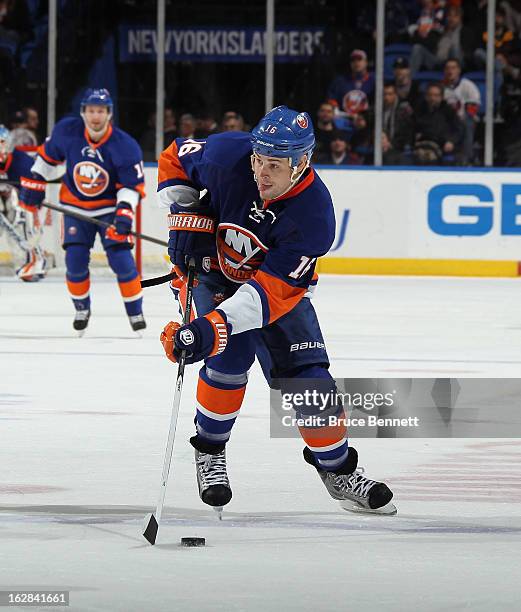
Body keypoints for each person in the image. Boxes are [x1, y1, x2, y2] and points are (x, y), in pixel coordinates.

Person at [157, 105, 396, 515]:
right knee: (227, 363)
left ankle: (337, 471)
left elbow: (266, 297)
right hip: (216, 275)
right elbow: (175, 155)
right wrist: (185, 211)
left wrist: (210, 328)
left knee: (312, 382)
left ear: (302, 162)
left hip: (277, 293)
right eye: (258, 161)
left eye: (274, 165)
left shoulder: (313, 215)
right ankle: (210, 451)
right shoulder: (226, 154)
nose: (261, 174)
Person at [18, 88, 146, 334]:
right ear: (83, 112)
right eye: (90, 111)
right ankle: (81, 309)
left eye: (100, 111)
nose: (95, 116)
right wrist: (36, 180)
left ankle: (135, 312)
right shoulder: (68, 131)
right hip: (75, 209)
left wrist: (124, 212)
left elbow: (131, 186)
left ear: (109, 114)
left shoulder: (125, 146)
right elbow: (46, 159)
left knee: (122, 261)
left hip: (109, 210)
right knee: (75, 262)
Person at [0, 124, 46, 280]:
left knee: (23, 218)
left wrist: (28, 207)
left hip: (18, 199)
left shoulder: (23, 164)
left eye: (2, 142)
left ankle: (32, 261)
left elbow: (36, 196)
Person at [442, 59, 481, 164]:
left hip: (466, 119)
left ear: (459, 70)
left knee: (466, 124)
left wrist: (461, 116)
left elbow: (473, 108)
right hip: (448, 121)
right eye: (448, 68)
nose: (450, 71)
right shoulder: (441, 87)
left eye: (453, 68)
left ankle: (466, 158)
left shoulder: (468, 86)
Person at [326, 49, 375, 118]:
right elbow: (331, 98)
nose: (356, 63)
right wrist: (335, 108)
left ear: (366, 62)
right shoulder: (340, 81)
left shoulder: (374, 80)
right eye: (353, 60)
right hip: (344, 119)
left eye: (359, 59)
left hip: (367, 121)